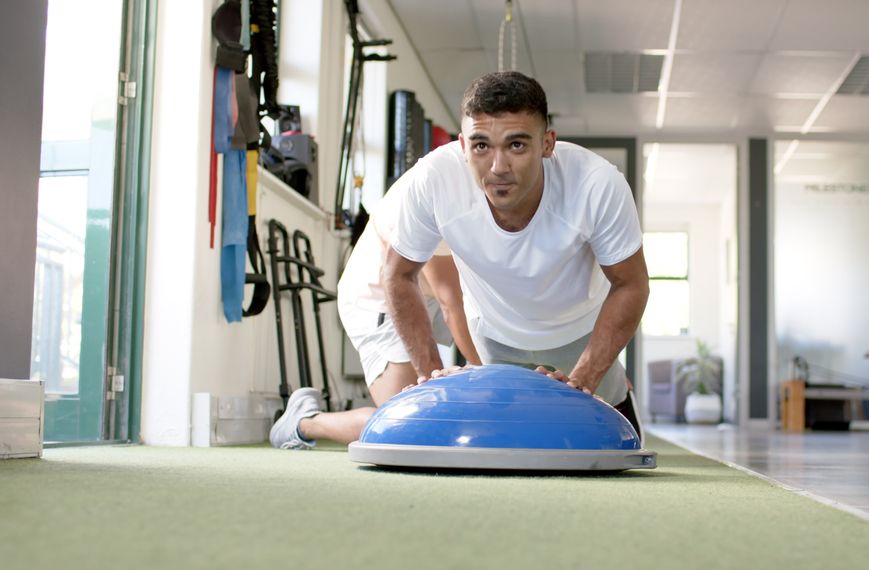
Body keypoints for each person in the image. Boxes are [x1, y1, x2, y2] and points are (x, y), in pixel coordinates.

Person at [384, 71, 649, 432]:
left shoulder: (596, 184)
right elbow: (398, 274)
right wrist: (432, 375)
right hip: (495, 332)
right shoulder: (434, 180)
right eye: (481, 146)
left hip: (577, 328)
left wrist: (582, 381)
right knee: (505, 434)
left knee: (612, 436)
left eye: (517, 145)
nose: (498, 167)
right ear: (463, 146)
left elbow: (631, 284)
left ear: (548, 144)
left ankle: (617, 397)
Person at [269, 183, 481, 449]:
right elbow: (452, 304)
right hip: (378, 298)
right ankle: (304, 421)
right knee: (407, 425)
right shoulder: (436, 193)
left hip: (426, 295)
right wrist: (494, 375)